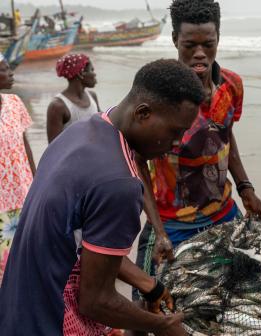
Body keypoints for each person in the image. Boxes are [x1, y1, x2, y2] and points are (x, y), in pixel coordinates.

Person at [0, 59, 204, 336]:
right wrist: (162, 325)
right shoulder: (120, 184)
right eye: (175, 132)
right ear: (143, 113)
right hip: (50, 320)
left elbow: (90, 243)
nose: (177, 144)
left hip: (15, 308)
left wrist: (151, 286)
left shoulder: (83, 131)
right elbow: (96, 301)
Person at [129, 3, 261, 332]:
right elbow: (138, 162)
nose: (200, 55)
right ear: (175, 39)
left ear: (218, 38)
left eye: (208, 44)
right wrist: (159, 230)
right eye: (190, 45)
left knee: (234, 299)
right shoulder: (156, 94)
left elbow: (225, 140)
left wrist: (246, 189)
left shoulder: (231, 86)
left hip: (223, 215)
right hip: (171, 224)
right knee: (146, 307)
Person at [0, 53, 36, 285]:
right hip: (1, 202)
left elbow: (26, 146)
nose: (11, 72)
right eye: (4, 69)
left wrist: (38, 180)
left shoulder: (14, 103)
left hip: (23, 194)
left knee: (26, 257)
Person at [47, 53, 99, 143]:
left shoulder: (92, 97)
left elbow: (102, 126)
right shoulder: (58, 106)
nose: (95, 74)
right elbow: (53, 147)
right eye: (91, 70)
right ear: (80, 73)